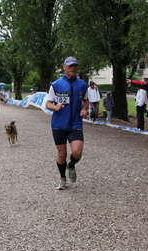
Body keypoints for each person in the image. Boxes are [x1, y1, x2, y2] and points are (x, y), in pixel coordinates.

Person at [45, 56, 89, 190]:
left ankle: (72, 165)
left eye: (75, 66)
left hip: (75, 124)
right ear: (64, 67)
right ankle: (62, 179)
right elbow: (48, 103)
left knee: (77, 152)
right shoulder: (56, 84)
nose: (73, 68)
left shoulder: (82, 84)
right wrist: (55, 107)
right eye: (70, 66)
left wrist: (84, 109)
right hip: (59, 125)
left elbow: (86, 100)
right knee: (62, 154)